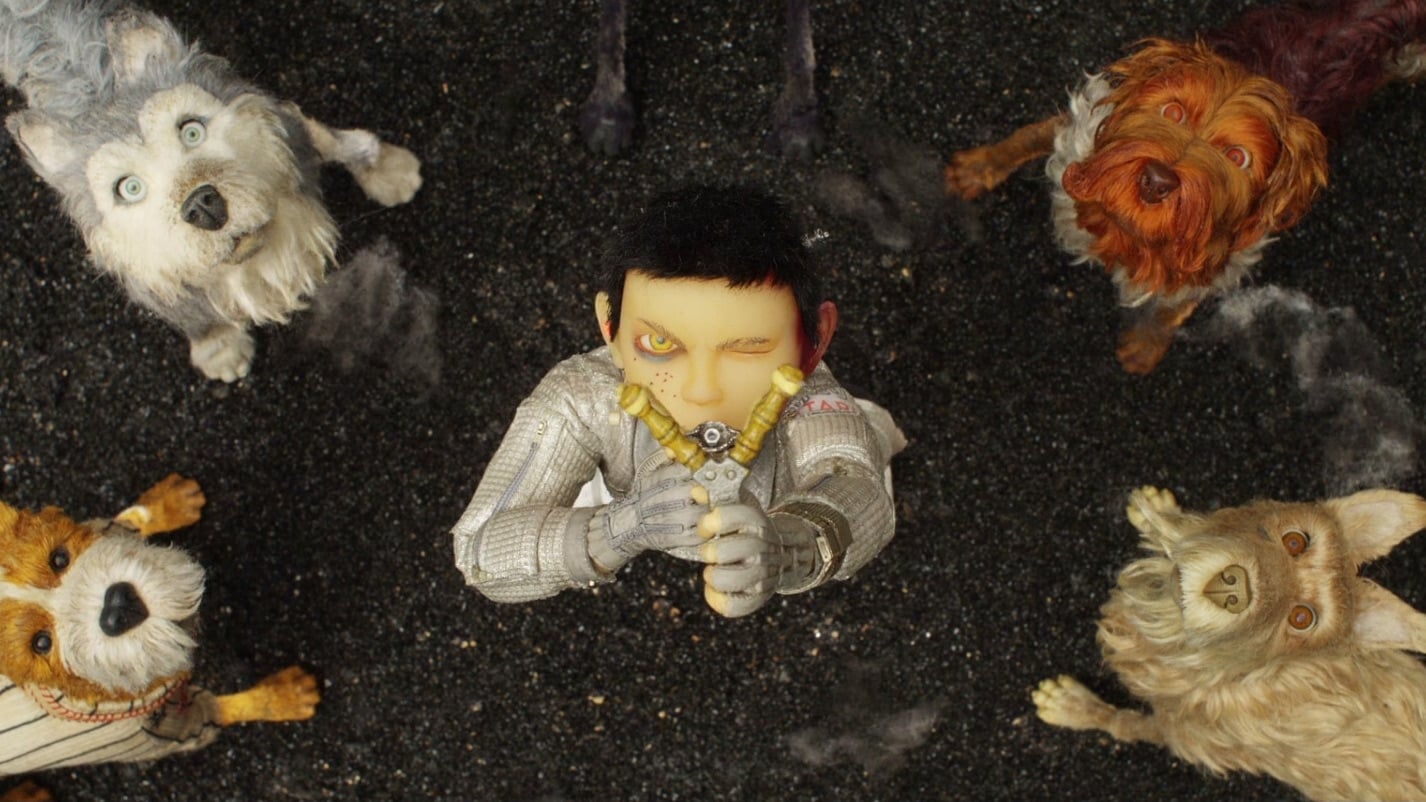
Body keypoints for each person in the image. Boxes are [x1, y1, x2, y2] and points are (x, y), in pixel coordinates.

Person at [451, 184, 904, 617]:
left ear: (814, 341)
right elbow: (478, 552)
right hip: (625, 495)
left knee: (862, 444)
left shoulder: (808, 399)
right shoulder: (585, 395)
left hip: (782, 498)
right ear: (610, 328)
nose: (701, 391)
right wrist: (616, 529)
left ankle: (875, 433)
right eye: (660, 344)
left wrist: (789, 546)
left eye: (748, 348)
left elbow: (860, 492)